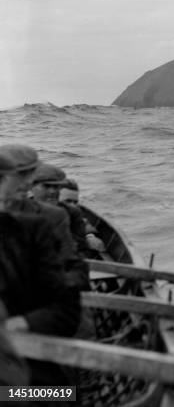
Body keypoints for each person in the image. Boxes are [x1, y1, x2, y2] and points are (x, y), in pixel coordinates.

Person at [0, 151, 80, 389]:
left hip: (24, 376)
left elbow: (66, 311)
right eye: (21, 176)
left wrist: (18, 324)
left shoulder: (36, 230)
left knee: (62, 394)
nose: (27, 183)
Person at [0, 144, 89, 291]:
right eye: (21, 175)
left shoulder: (49, 219)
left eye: (30, 175)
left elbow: (73, 268)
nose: (28, 183)